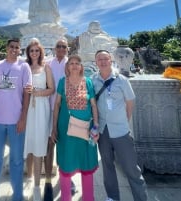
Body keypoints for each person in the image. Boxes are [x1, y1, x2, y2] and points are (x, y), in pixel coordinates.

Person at [92, 50, 148, 201]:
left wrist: (125, 119)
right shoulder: (93, 80)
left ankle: (141, 198)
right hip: (103, 130)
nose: (102, 62)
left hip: (121, 130)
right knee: (107, 166)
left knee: (131, 168)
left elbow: (130, 102)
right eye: (99, 59)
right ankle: (112, 197)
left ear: (111, 60)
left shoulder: (121, 79)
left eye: (105, 58)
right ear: (95, 62)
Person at [0, 38, 32, 201]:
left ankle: (17, 196)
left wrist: (23, 117)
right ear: (6, 48)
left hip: (16, 121)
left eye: (17, 47)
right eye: (11, 47)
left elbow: (27, 93)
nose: (14, 49)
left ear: (20, 50)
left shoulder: (24, 66)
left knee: (17, 160)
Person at [51, 55, 99, 201]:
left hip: (86, 130)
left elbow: (93, 105)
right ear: (67, 67)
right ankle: (66, 198)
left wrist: (96, 126)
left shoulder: (88, 82)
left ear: (81, 67)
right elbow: (57, 105)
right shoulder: (62, 82)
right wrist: (54, 128)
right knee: (66, 162)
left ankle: (88, 198)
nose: (74, 65)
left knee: (86, 161)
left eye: (77, 63)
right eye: (71, 63)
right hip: (66, 130)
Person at [23, 38, 55, 201]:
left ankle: (37, 186)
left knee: (40, 145)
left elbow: (52, 89)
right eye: (31, 50)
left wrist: (37, 92)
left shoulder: (46, 68)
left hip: (41, 109)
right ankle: (29, 180)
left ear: (40, 52)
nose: (34, 53)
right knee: (29, 143)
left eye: (37, 50)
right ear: (28, 52)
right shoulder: (25, 67)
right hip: (28, 109)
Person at [43, 38, 71, 200]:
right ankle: (47, 181)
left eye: (63, 47)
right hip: (49, 107)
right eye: (58, 46)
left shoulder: (72, 64)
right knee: (50, 143)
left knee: (66, 146)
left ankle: (66, 180)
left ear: (67, 49)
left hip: (66, 110)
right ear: (54, 48)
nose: (61, 49)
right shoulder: (47, 63)